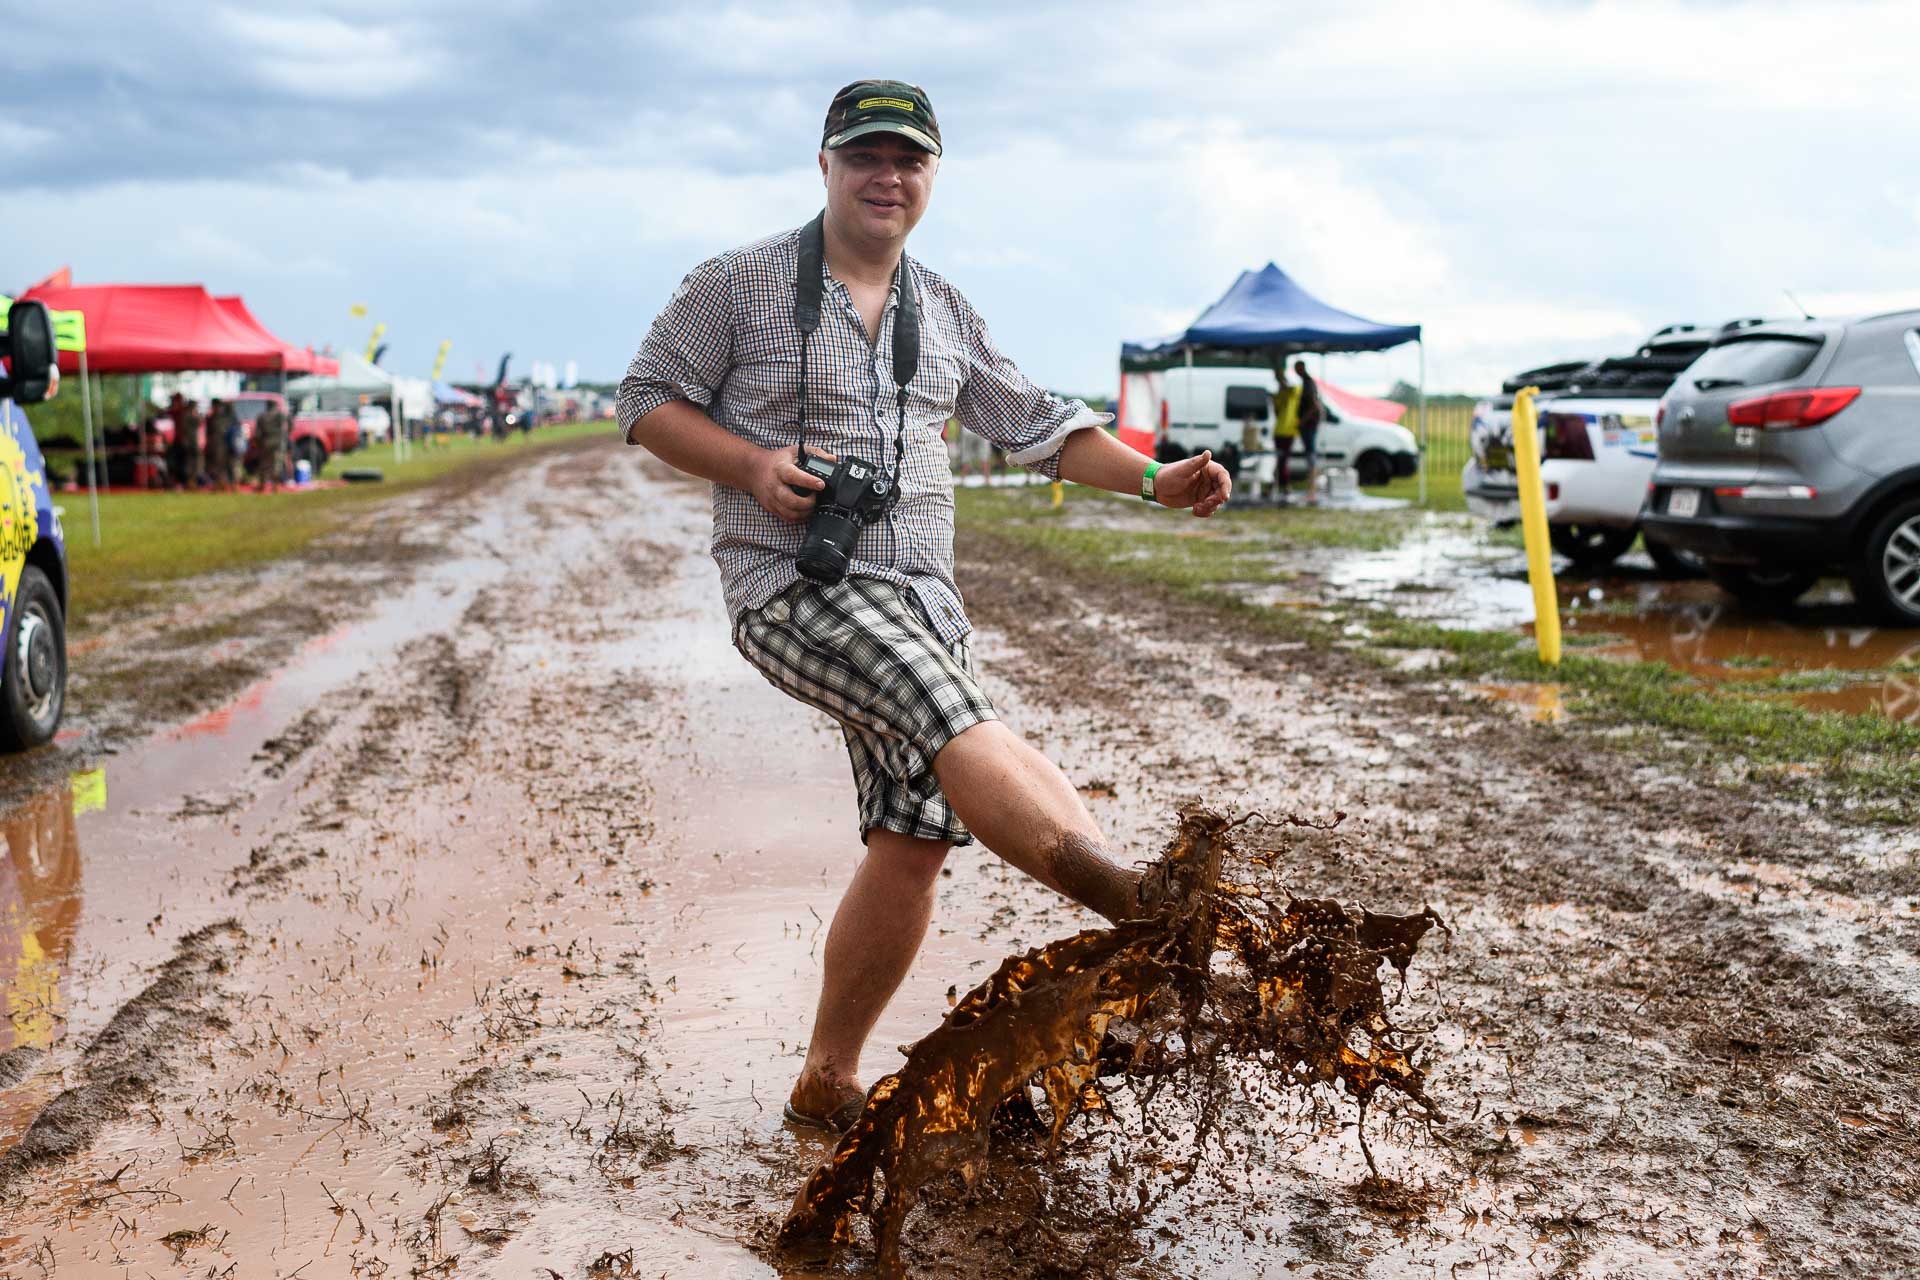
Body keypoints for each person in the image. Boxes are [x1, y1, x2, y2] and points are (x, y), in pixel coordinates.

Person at [618, 79, 1232, 1134]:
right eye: (865, 157)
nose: (885, 178)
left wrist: (1154, 479)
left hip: (922, 601)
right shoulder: (736, 284)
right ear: (826, 165)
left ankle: (825, 1074)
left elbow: (1039, 424)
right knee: (954, 715)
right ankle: (1139, 908)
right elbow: (646, 401)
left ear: (932, 176)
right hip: (794, 586)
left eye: (907, 160)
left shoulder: (942, 309)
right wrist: (757, 466)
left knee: (913, 833)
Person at [1270, 357, 1302, 503]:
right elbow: (1277, 411)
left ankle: (1282, 485)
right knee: (1280, 460)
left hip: (1288, 431)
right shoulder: (1279, 395)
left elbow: (1295, 390)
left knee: (1283, 460)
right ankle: (1281, 485)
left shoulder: (1293, 391)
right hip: (1280, 431)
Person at [1293, 359, 1324, 505]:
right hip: (1308, 425)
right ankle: (1311, 490)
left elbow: (1314, 406)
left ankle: (1312, 490)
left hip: (1309, 426)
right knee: (1310, 456)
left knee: (1311, 457)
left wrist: (1302, 421)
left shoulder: (1308, 383)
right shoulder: (1306, 382)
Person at [255, 400, 289, 492]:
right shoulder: (280, 415)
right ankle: (275, 486)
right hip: (277, 443)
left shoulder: (261, 416)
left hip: (265, 442)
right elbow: (289, 424)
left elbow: (257, 433)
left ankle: (262, 486)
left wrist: (259, 443)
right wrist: (285, 435)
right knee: (276, 465)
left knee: (264, 465)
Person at [205, 398, 236, 492]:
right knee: (220, 465)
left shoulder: (223, 417)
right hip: (221, 445)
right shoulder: (214, 417)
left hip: (224, 445)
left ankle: (227, 484)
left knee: (225, 465)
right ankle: (223, 484)